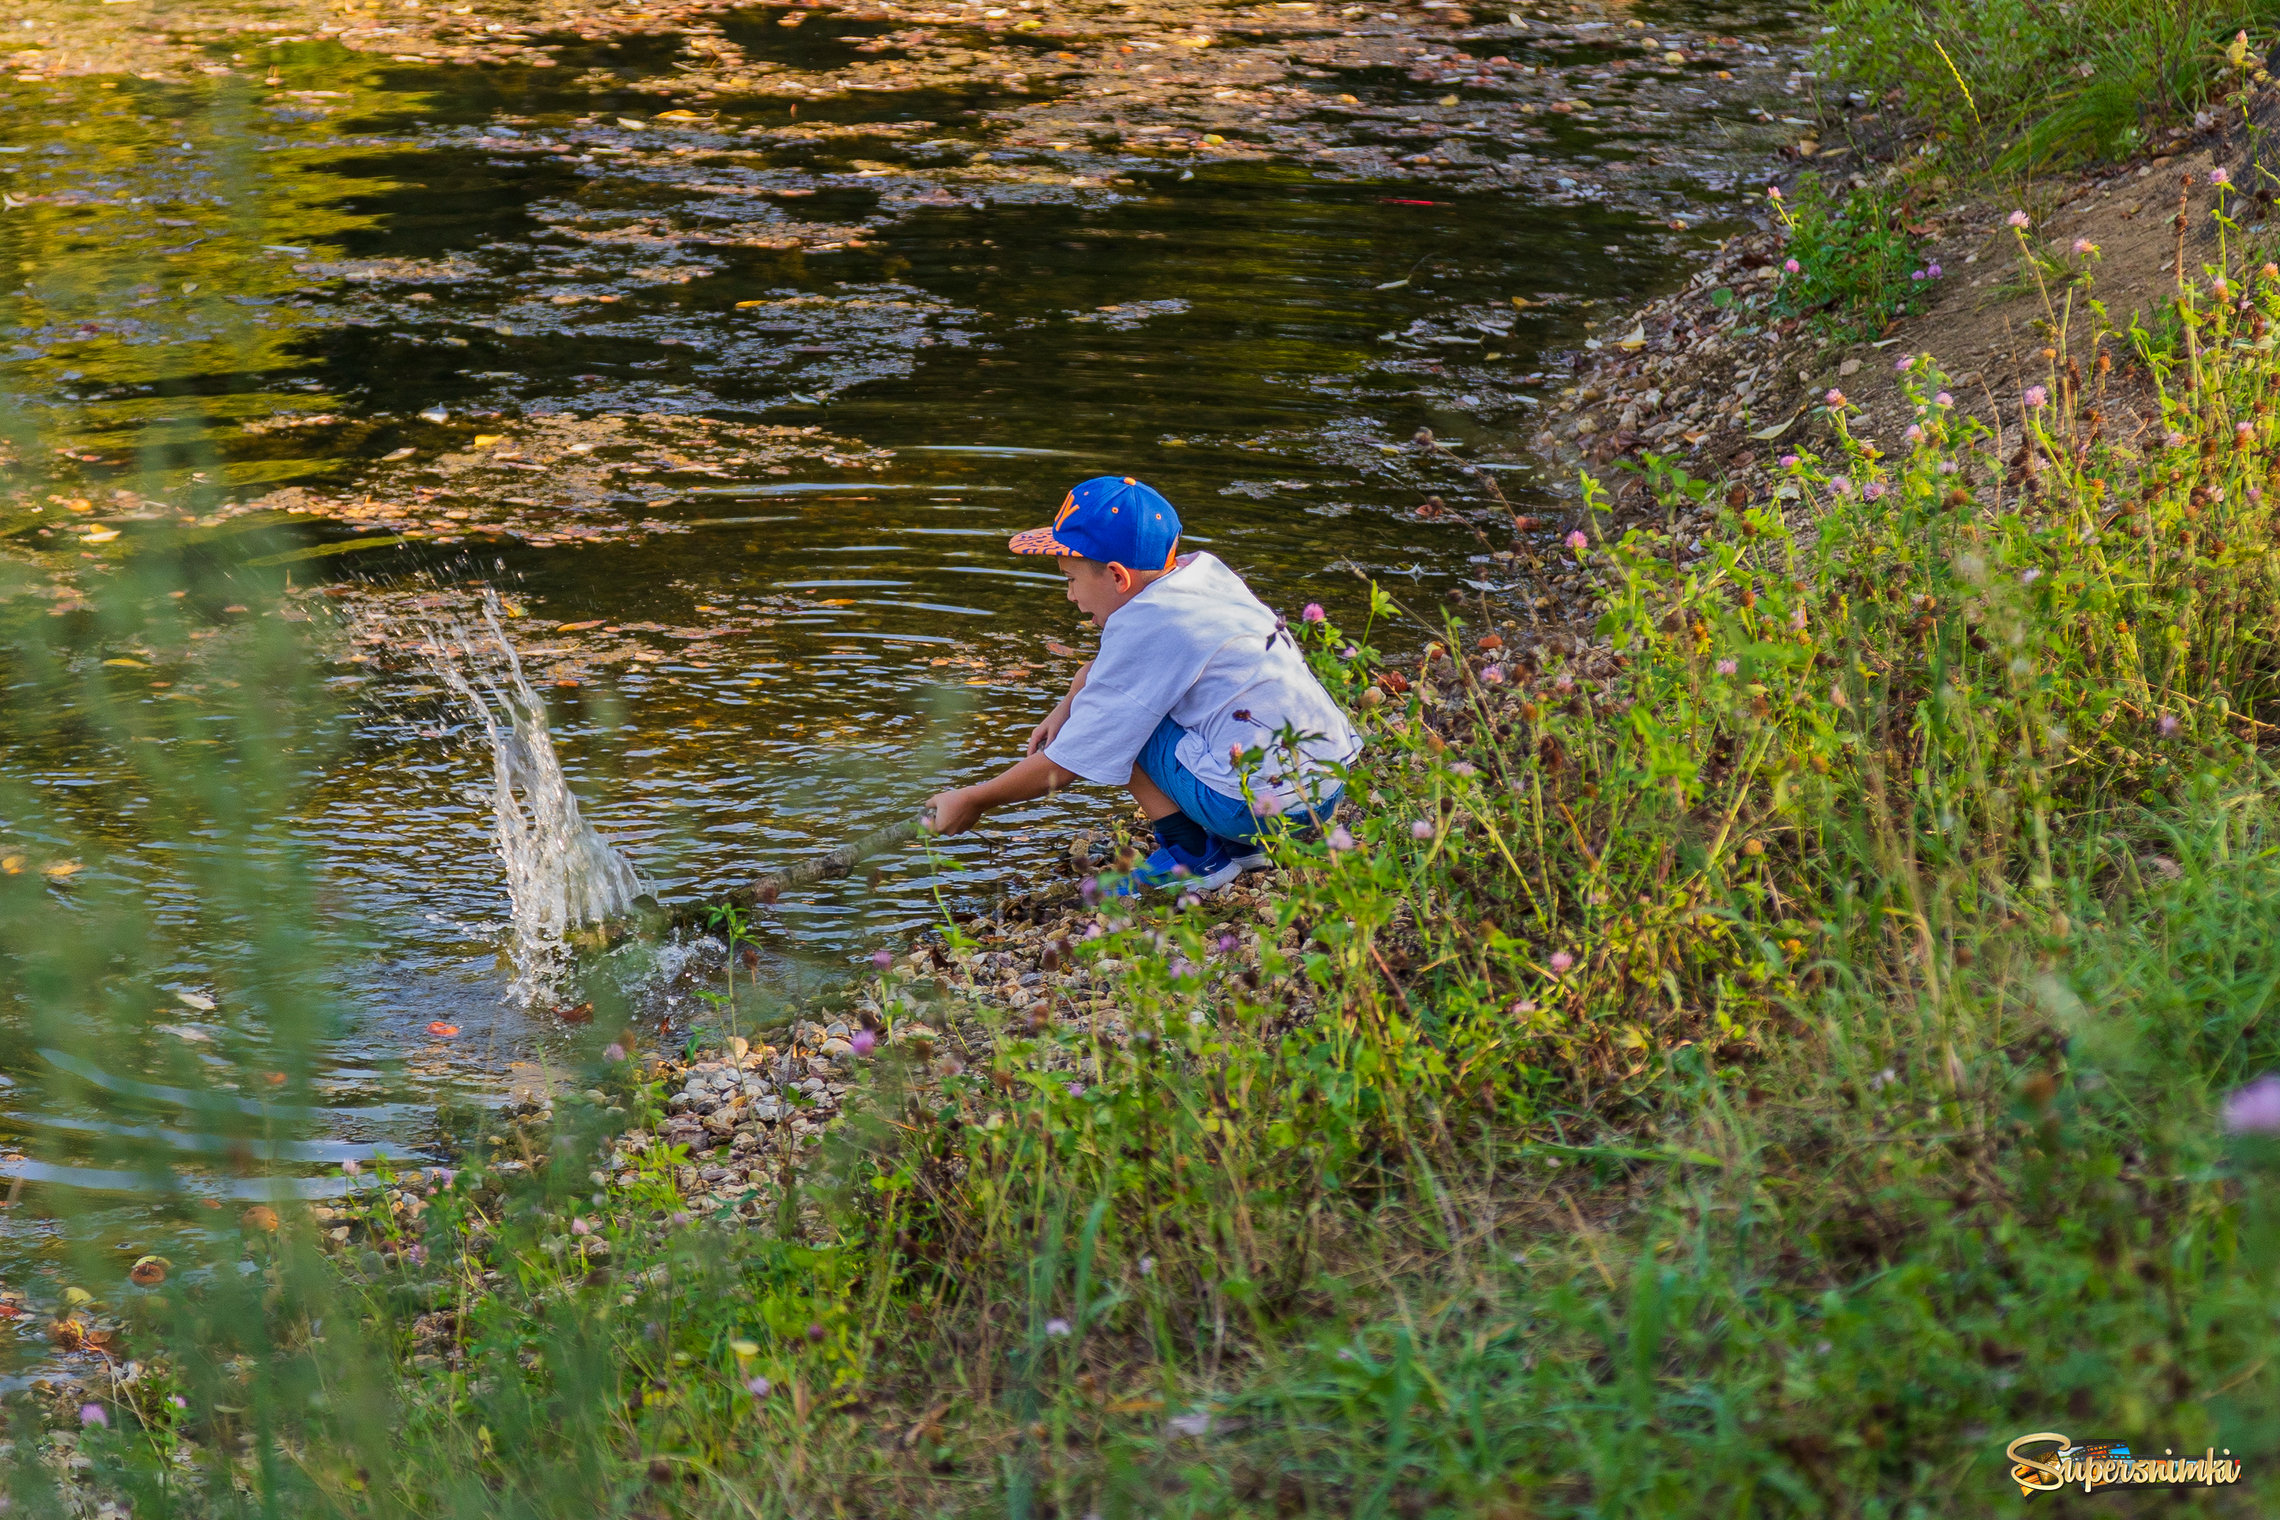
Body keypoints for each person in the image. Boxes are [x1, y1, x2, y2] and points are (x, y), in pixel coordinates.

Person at [924, 475, 1359, 892]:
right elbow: (1124, 669)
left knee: (1122, 724)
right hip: (1320, 790)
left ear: (1116, 576)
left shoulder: (1145, 625)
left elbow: (1068, 762)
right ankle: (1244, 848)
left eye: (1072, 580)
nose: (1070, 596)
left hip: (1256, 809)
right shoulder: (1202, 578)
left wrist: (975, 798)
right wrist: (1071, 698)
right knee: (1128, 703)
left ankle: (1195, 857)